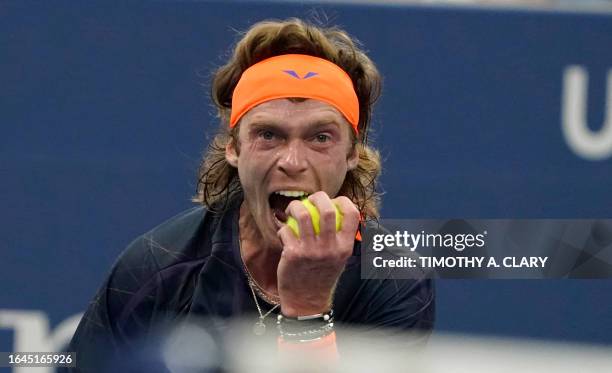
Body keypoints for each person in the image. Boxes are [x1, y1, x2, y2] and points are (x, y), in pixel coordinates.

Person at [65, 18, 434, 372]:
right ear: (234, 148)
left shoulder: (394, 281)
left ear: (353, 154)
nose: (292, 161)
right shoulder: (156, 267)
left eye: (321, 137)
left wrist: (307, 307)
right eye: (269, 135)